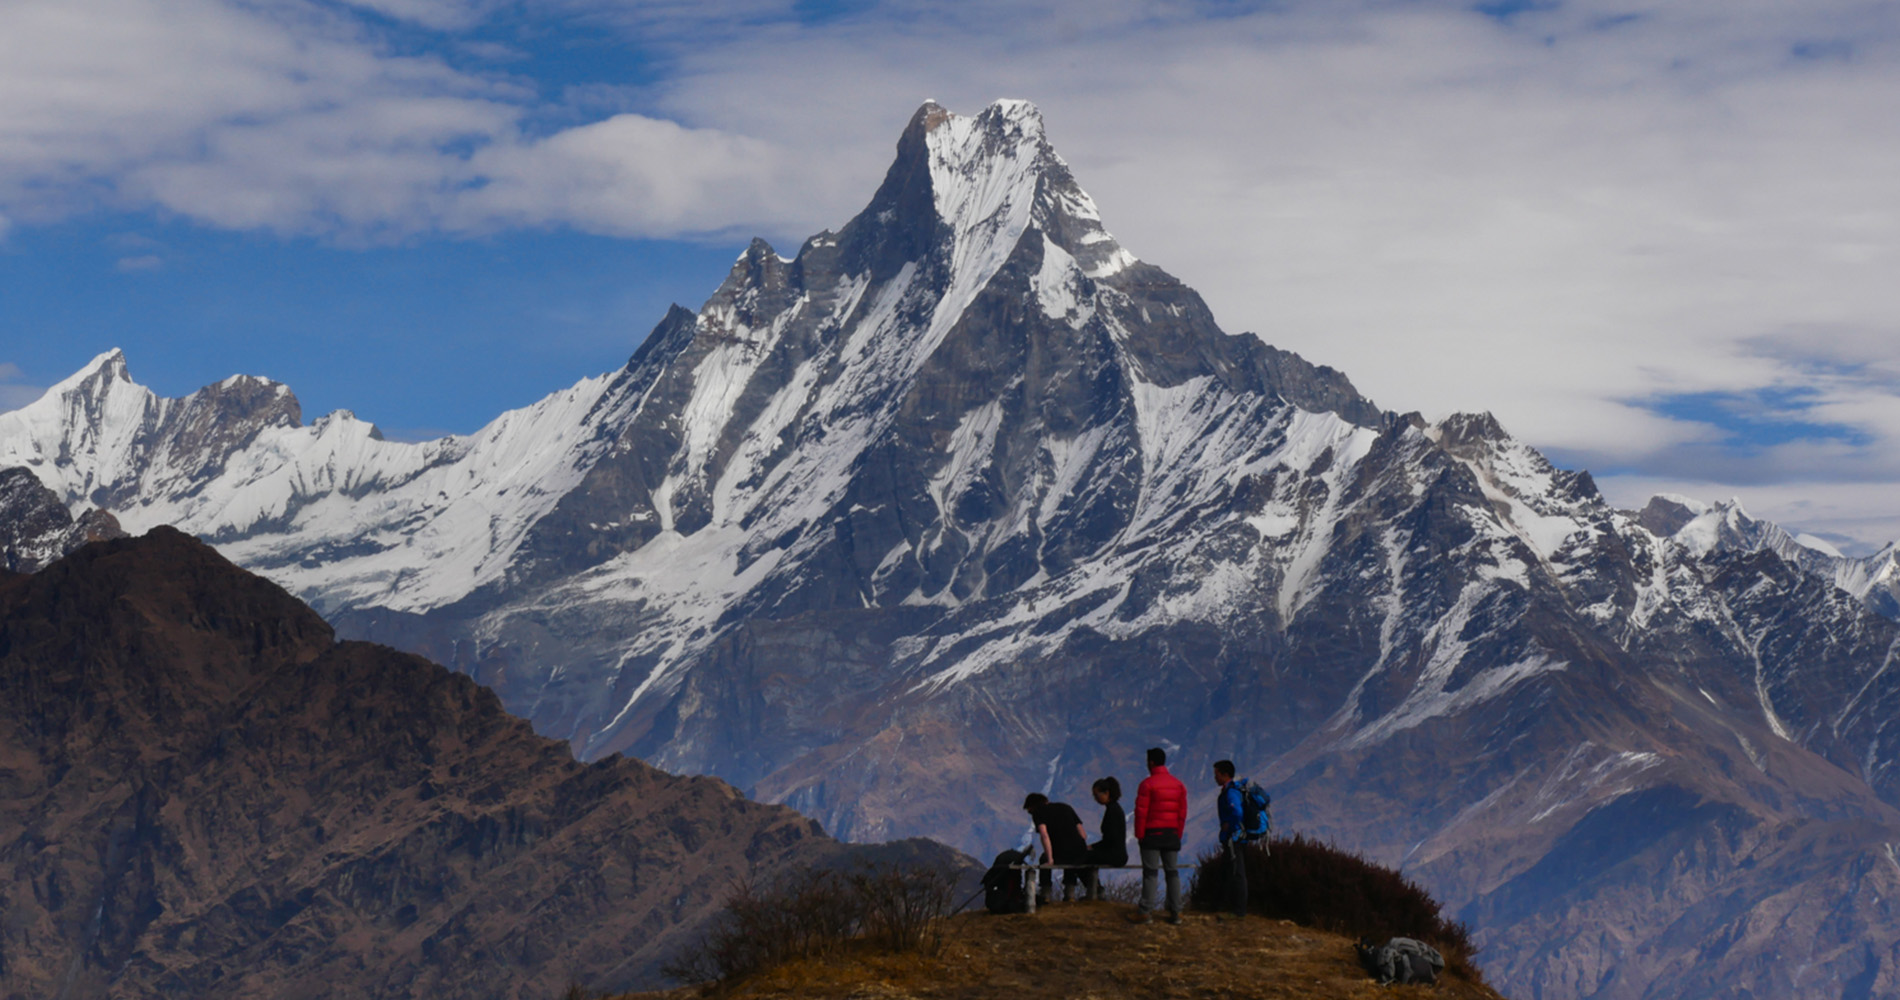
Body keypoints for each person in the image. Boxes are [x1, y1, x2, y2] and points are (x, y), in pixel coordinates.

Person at [1131, 747, 1186, 924]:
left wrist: (1140, 835)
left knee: (1150, 873)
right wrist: (1177, 833)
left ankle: (1146, 912)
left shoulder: (1147, 784)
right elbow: (1182, 813)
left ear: (1151, 762)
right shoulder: (1178, 785)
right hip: (1171, 834)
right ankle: (1177, 912)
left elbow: (1141, 812)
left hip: (1152, 835)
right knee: (1172, 873)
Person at [1023, 792, 1090, 902]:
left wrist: (1050, 859)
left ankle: (1046, 894)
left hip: (1060, 852)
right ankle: (1070, 894)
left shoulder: (1038, 812)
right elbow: (1083, 834)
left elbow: (1044, 835)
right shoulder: (1066, 807)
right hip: (1079, 851)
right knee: (1071, 860)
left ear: (1033, 806)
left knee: (1044, 859)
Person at [1213, 759, 1252, 920]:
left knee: (1237, 873)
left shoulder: (1231, 792)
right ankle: (1221, 904)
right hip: (1234, 838)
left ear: (1224, 774)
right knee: (1227, 871)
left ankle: (1239, 910)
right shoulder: (1231, 790)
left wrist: (1229, 826)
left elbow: (1237, 813)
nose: (1215, 778)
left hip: (1234, 838)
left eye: (1217, 774)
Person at [1082, 776, 1127, 900]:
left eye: (1097, 795)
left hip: (1114, 854)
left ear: (1106, 793)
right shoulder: (1113, 808)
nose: (1096, 799)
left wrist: (1092, 847)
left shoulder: (1113, 811)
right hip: (1116, 852)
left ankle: (1095, 890)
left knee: (1082, 857)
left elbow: (1110, 839)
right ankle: (1095, 889)